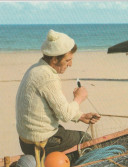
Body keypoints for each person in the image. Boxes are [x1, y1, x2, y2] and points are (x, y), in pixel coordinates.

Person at [16, 29, 101, 159]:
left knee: (61, 129)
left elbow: (54, 109)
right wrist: (78, 98)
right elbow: (65, 115)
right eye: (68, 60)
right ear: (55, 59)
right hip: (38, 142)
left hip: (26, 140)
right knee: (85, 139)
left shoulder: (36, 68)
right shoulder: (48, 77)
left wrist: (80, 116)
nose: (70, 64)